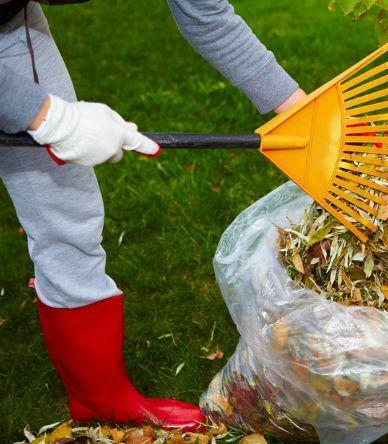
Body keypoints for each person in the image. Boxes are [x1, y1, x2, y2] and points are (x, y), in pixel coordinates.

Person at [0, 0, 306, 431]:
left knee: (67, 214)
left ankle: (99, 398)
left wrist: (299, 112)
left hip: (10, 26)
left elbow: (206, 14)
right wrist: (49, 119)